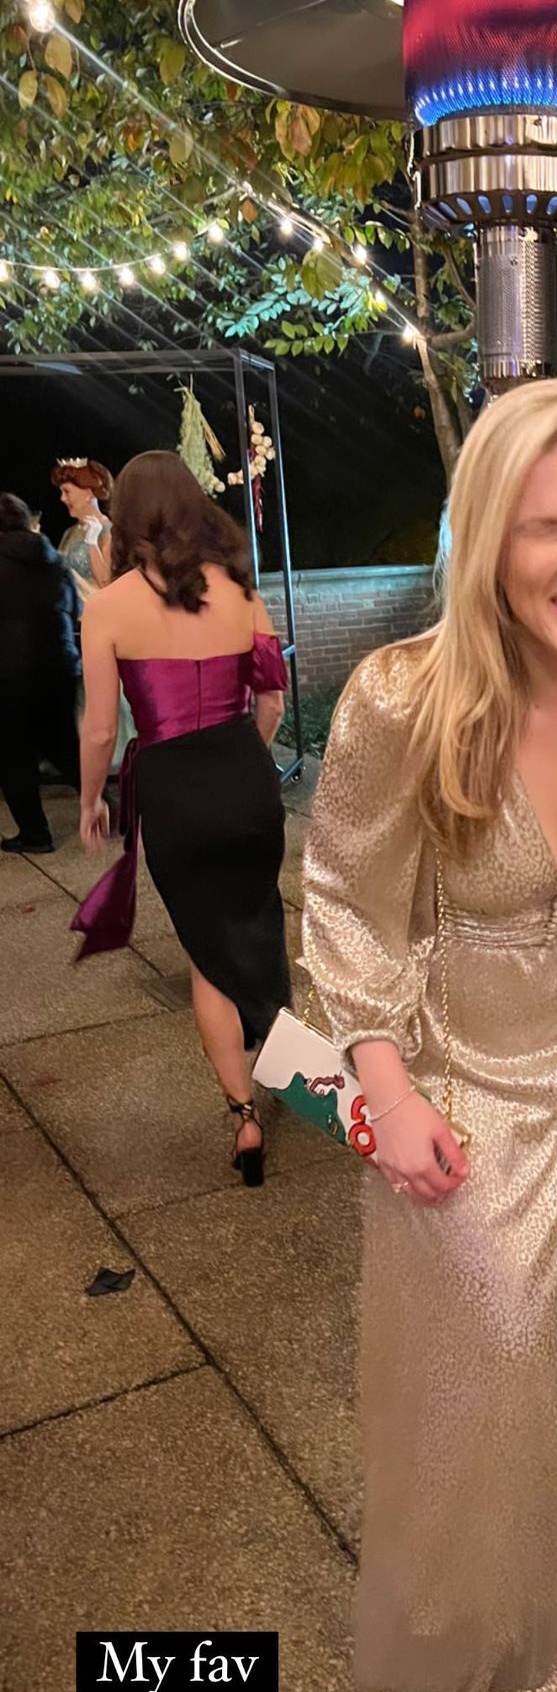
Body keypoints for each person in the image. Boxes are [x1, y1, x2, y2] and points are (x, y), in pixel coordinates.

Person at [302, 379, 557, 1692]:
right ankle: (488, 1587)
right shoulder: (405, 695)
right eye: (539, 525)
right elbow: (342, 897)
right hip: (454, 1064)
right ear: (485, 538)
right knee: (490, 1352)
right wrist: (381, 1087)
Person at [72, 451, 290, 1187]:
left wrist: (92, 800)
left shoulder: (107, 608)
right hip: (245, 779)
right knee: (256, 922)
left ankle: (244, 1117)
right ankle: (283, 1051)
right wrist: (245, 765)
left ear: (127, 517)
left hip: (172, 793)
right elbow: (272, 700)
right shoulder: (241, 590)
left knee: (206, 953)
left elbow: (101, 728)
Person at [0, 492, 82, 853]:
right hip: (60, 666)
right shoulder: (54, 561)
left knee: (13, 755)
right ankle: (110, 808)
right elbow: (73, 607)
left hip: (10, 673)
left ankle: (35, 834)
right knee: (63, 744)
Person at [52, 458, 113, 600]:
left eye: (67, 492)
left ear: (88, 493)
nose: (62, 498)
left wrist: (92, 542)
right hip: (70, 610)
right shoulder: (70, 532)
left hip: (95, 611)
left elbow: (107, 583)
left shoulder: (109, 531)